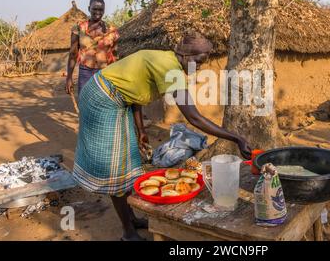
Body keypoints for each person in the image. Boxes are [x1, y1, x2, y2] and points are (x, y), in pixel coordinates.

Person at [73, 31, 252, 241]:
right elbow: (194, 118)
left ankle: (131, 219)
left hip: (116, 99)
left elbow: (134, 92)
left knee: (129, 157)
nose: (199, 66)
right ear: (185, 55)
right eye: (198, 61)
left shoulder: (166, 59)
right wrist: (236, 138)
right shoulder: (169, 67)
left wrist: (140, 130)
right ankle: (128, 232)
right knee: (116, 166)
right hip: (101, 100)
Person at [65, 0, 119, 96]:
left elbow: (114, 56)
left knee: (103, 103)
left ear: (104, 10)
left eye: (101, 9)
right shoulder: (78, 28)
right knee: (85, 102)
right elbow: (73, 54)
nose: (97, 12)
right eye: (95, 9)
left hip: (105, 73)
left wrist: (115, 78)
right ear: (89, 8)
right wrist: (69, 78)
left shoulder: (112, 31)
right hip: (85, 72)